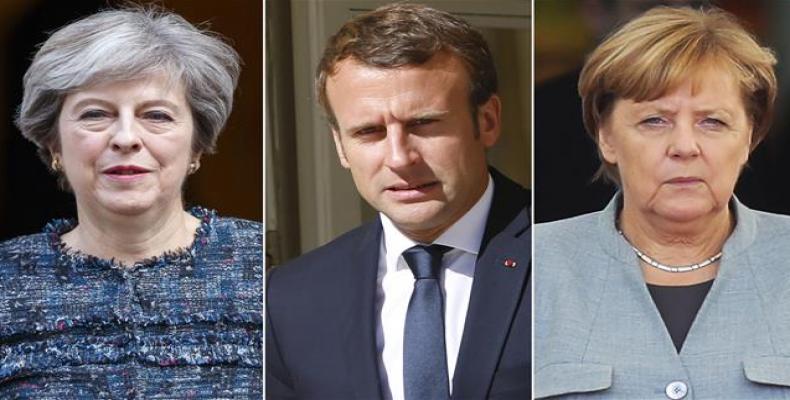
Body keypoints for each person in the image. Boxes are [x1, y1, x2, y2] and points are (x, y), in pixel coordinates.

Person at [266, 3, 529, 399]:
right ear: (340, 146)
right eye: (369, 132)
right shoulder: (290, 299)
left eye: (423, 124)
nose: (399, 157)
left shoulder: (566, 251)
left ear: (487, 120)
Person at [0, 7, 262, 398]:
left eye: (156, 115)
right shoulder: (8, 278)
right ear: (53, 143)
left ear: (197, 145)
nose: (126, 138)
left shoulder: (261, 270)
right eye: (95, 114)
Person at [535, 6, 790, 399]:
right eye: (655, 121)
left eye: (713, 122)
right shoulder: (534, 264)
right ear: (606, 138)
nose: (684, 147)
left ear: (749, 139)